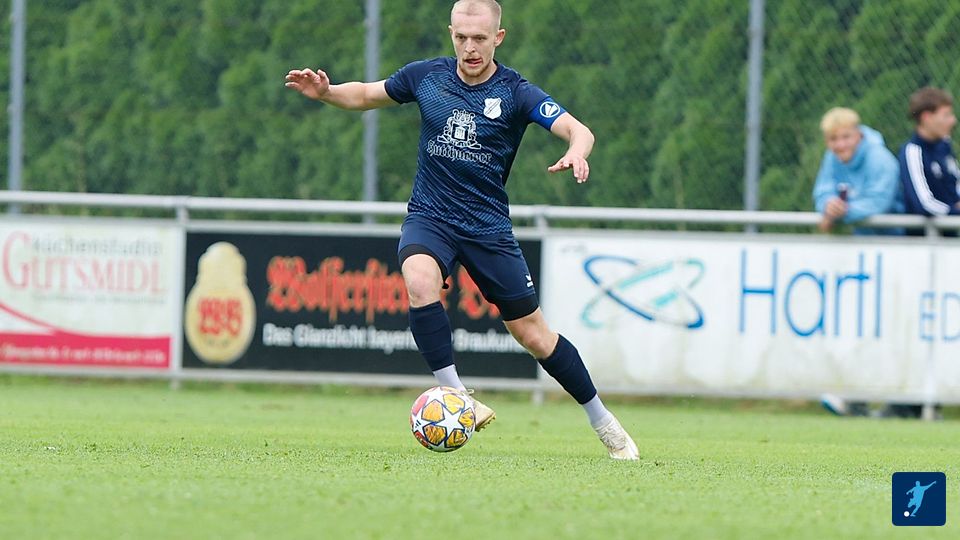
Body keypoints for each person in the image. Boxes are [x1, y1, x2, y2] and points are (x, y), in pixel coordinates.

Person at [284, 0, 638, 459]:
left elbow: (578, 129)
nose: (470, 48)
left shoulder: (517, 92)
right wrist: (327, 93)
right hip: (430, 217)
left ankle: (604, 422)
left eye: (480, 39)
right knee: (418, 281)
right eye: (461, 38)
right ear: (451, 33)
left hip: (488, 228)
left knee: (534, 335)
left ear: (498, 38)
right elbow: (367, 95)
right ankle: (457, 395)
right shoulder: (426, 76)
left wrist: (577, 150)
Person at [812, 107, 903, 235]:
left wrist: (841, 212)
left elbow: (878, 202)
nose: (840, 145)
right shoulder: (832, 156)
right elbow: (823, 190)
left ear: (858, 134)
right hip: (860, 238)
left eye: (846, 137)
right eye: (833, 139)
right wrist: (828, 205)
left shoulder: (881, 159)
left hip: (897, 239)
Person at [899, 87, 960, 226]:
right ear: (927, 117)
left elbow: (955, 182)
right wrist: (954, 212)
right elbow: (924, 204)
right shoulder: (912, 151)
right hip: (924, 237)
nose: (953, 120)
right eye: (946, 115)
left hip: (950, 231)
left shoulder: (944, 146)